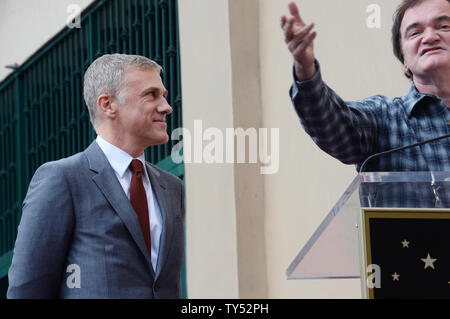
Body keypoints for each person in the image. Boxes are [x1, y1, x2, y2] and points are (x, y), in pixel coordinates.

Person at [7, 54, 185, 298]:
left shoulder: (173, 188)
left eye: (163, 95)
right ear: (107, 105)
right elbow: (27, 290)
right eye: (151, 95)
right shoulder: (63, 179)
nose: (166, 106)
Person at [281, 0, 450, 172]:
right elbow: (333, 127)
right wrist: (305, 67)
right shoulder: (384, 117)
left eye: (443, 26)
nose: (429, 37)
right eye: (414, 33)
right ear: (404, 60)